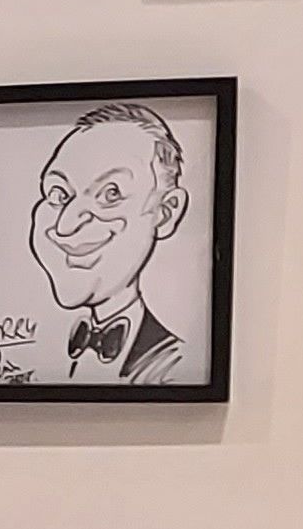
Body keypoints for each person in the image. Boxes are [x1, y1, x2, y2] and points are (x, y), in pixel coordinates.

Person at [31, 102, 190, 382]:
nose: (65, 226)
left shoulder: (177, 368)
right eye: (58, 194)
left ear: (165, 213)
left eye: (111, 194)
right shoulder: (34, 356)